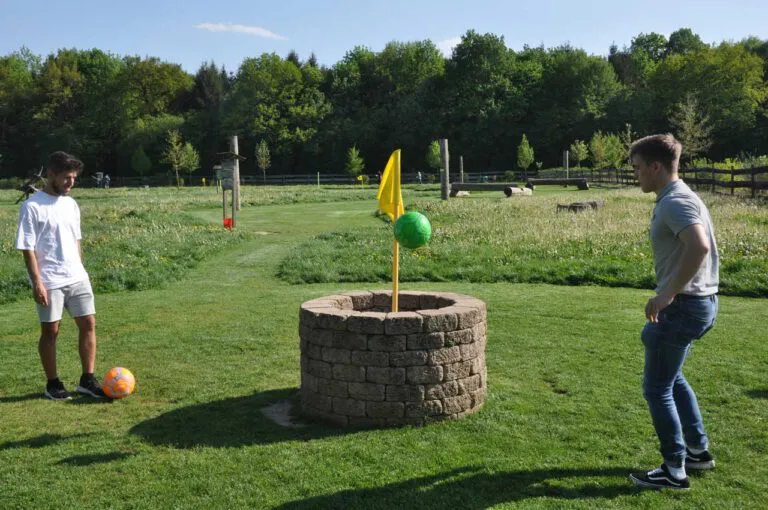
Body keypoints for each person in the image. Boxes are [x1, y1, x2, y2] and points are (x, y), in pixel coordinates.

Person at [628, 134, 719, 490]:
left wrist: (666, 295)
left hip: (684, 306)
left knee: (657, 388)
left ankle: (674, 469)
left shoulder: (674, 201)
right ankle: (698, 451)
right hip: (699, 304)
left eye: (638, 168)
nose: (636, 175)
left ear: (656, 166)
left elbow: (698, 246)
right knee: (672, 377)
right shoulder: (680, 196)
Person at [16, 151, 107, 401]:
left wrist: (80, 269)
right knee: (51, 332)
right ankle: (53, 384)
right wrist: (37, 283)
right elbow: (27, 247)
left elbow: (76, 240)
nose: (71, 182)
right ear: (51, 174)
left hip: (77, 277)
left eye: (74, 178)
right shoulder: (32, 206)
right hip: (49, 281)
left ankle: (87, 380)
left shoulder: (71, 204)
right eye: (67, 177)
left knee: (88, 324)